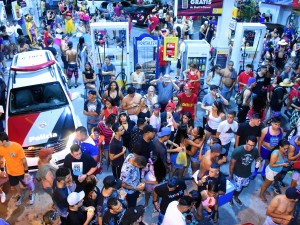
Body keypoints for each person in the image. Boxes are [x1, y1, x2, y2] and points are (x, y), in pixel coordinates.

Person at [0, 132, 35, 206]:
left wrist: (26, 172)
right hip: (10, 172)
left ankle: (31, 193)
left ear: (4, 141)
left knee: (28, 184)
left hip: (21, 171)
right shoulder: (1, 147)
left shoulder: (17, 147)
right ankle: (20, 194)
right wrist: (2, 170)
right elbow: (2, 158)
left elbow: (24, 160)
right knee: (15, 185)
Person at [229, 135, 260, 206]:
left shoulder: (255, 150)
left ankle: (236, 196)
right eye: (248, 144)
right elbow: (232, 164)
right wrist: (231, 175)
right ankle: (230, 198)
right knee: (235, 188)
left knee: (242, 186)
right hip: (237, 174)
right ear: (246, 142)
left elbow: (257, 157)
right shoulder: (238, 151)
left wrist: (259, 161)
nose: (250, 147)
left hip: (247, 173)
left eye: (252, 145)